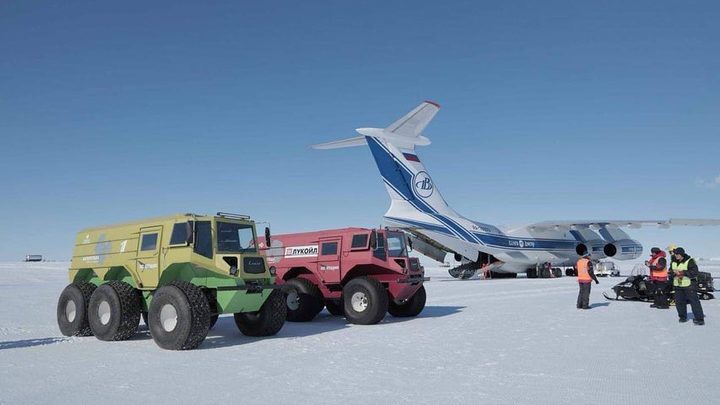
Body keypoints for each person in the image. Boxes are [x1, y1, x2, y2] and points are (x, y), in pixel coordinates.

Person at [670, 247, 705, 325]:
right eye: (675, 254)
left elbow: (695, 272)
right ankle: (682, 317)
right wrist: (673, 273)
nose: (676, 255)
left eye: (677, 254)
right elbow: (670, 271)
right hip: (677, 285)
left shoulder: (690, 261)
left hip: (689, 285)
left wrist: (682, 273)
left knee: (694, 302)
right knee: (679, 302)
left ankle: (699, 319)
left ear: (682, 254)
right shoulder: (673, 262)